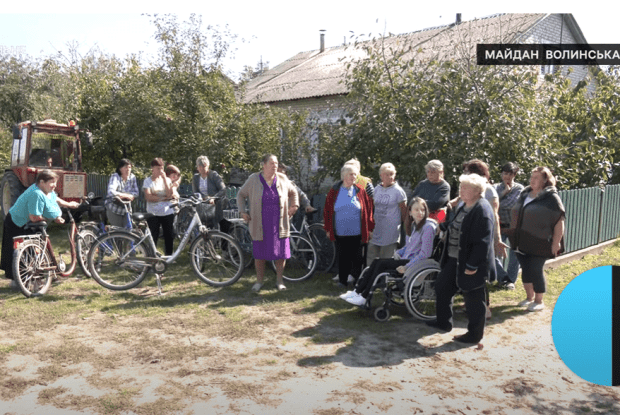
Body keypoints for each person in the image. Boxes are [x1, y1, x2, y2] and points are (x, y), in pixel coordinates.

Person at [426, 174, 495, 344]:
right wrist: (443, 226)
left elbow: (482, 242)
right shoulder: (465, 204)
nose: (461, 191)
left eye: (465, 188)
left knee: (473, 298)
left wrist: (472, 265)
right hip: (454, 258)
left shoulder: (482, 210)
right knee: (442, 286)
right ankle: (443, 323)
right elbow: (456, 223)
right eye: (461, 187)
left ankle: (474, 335)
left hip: (470, 262)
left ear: (477, 191)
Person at [342, 197, 436, 306]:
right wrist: (399, 252)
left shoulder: (428, 227)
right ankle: (357, 292)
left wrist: (407, 266)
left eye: (423, 210)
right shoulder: (415, 225)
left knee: (380, 264)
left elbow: (425, 253)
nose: (420, 212)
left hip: (413, 264)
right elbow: (409, 246)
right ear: (410, 212)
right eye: (416, 210)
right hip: (405, 259)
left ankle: (363, 296)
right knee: (377, 262)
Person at [1, 170, 80, 284]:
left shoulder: (46, 190)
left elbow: (54, 198)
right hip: (16, 223)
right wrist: (53, 219)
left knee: (39, 247)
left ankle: (45, 276)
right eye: (52, 182)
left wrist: (69, 204)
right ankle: (21, 281)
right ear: (42, 182)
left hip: (26, 222)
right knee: (23, 252)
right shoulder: (36, 194)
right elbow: (34, 217)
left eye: (55, 182)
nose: (55, 185)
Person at [236, 154, 299, 292]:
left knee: (281, 254)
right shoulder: (253, 179)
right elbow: (241, 194)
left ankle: (280, 281)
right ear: (263, 165)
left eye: (276, 163)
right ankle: (259, 281)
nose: (275, 165)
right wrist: (242, 211)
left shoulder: (282, 178)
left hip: (279, 224)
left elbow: (294, 192)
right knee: (260, 254)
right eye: (271, 163)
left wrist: (294, 206)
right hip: (260, 224)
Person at [508, 166, 565, 312]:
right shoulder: (525, 194)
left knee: (535, 269)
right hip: (521, 240)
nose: (532, 180)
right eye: (531, 177)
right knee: (526, 270)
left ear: (545, 180)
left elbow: (559, 220)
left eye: (536, 178)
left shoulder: (551, 197)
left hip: (540, 241)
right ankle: (529, 298)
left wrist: (556, 241)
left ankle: (539, 301)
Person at [323, 162, 375, 288]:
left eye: (355, 175)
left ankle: (357, 281)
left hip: (357, 231)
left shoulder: (360, 190)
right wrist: (328, 228)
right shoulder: (334, 190)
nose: (354, 177)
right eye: (351, 174)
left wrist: (370, 228)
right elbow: (327, 211)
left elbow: (368, 210)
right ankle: (342, 280)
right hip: (340, 231)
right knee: (343, 257)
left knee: (357, 257)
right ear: (344, 176)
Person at [367, 162, 407, 266]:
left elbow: (404, 212)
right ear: (381, 176)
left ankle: (383, 281)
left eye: (392, 174)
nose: (390, 177)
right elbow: (371, 208)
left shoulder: (398, 191)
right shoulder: (376, 189)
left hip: (390, 232)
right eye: (386, 174)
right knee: (371, 258)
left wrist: (400, 226)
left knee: (386, 260)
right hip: (376, 230)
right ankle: (369, 280)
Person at [494, 162, 524, 289]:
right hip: (499, 226)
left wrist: (496, 202)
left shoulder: (519, 188)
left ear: (515, 175)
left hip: (514, 226)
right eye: (505, 173)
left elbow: (510, 205)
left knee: (515, 254)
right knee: (494, 253)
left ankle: (511, 280)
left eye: (510, 174)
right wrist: (504, 193)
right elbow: (489, 203)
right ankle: (503, 279)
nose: (506, 176)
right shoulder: (495, 187)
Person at [143, 158, 176, 256]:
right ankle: (152, 256)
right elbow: (148, 197)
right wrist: (163, 198)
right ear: (152, 168)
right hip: (153, 213)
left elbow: (170, 194)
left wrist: (165, 179)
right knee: (153, 236)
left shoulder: (167, 180)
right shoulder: (147, 181)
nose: (161, 171)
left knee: (169, 235)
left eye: (162, 168)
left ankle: (169, 256)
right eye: (158, 168)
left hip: (167, 212)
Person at [409, 160, 450, 233]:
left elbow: (435, 204)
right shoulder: (422, 184)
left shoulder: (444, 187)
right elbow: (412, 199)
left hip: (435, 222)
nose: (429, 174)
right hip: (418, 220)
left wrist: (418, 203)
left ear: (440, 172)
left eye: (433, 172)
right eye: (428, 172)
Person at [192, 156, 228, 231]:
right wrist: (204, 197)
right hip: (204, 206)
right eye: (200, 166)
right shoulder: (196, 178)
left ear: (208, 166)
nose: (202, 168)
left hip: (217, 205)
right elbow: (195, 192)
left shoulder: (213, 175)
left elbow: (223, 189)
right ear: (197, 167)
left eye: (204, 166)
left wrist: (213, 198)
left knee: (221, 225)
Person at [105, 158, 139, 227]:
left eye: (129, 167)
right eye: (125, 167)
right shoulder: (115, 177)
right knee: (118, 231)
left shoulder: (132, 178)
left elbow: (136, 193)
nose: (128, 169)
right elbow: (110, 191)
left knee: (128, 231)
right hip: (114, 208)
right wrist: (125, 195)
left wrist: (126, 196)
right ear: (120, 168)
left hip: (126, 209)